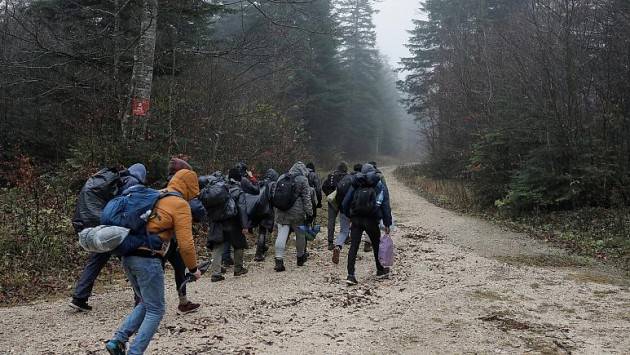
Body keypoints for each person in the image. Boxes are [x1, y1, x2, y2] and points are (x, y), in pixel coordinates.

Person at [105, 169, 202, 355]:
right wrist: (193, 268)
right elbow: (186, 244)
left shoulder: (155, 195)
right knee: (156, 309)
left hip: (128, 254)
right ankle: (135, 352)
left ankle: (118, 341)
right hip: (147, 259)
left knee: (145, 302)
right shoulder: (179, 204)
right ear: (190, 187)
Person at [70, 163, 147, 312]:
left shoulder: (117, 180)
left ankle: (79, 298)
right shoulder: (132, 182)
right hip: (107, 224)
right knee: (131, 257)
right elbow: (128, 207)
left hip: (95, 223)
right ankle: (141, 299)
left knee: (97, 258)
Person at [340, 163, 392, 285]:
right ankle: (380, 270)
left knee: (354, 246)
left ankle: (351, 275)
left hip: (357, 219)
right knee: (376, 245)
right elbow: (385, 205)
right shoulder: (378, 183)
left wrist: (350, 215)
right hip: (372, 219)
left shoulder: (357, 182)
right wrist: (387, 223)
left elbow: (345, 202)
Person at [164, 158, 203, 315]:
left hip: (166, 239)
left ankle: (184, 302)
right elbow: (186, 242)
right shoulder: (179, 196)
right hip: (163, 240)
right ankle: (144, 309)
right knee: (176, 268)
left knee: (179, 266)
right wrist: (194, 269)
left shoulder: (165, 188)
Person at [207, 167, 250, 282]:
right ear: (239, 178)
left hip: (217, 222)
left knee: (217, 246)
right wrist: (245, 225)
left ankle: (216, 273)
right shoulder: (238, 190)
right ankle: (238, 268)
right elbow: (242, 208)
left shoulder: (220, 188)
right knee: (239, 244)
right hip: (233, 222)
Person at [273, 161, 313, 272]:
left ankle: (279, 261)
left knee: (282, 234)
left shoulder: (282, 177)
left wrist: (276, 210)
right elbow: (306, 198)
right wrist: (310, 213)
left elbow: (275, 194)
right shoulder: (303, 179)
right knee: (300, 235)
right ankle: (300, 258)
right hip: (297, 213)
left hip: (281, 211)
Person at [223, 162, 259, 267]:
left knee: (226, 236)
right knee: (238, 239)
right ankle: (238, 266)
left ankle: (226, 259)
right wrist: (252, 177)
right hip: (238, 212)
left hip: (224, 213)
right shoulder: (244, 181)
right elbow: (256, 190)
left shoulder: (225, 180)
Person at [330, 163, 362, 264]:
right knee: (356, 231)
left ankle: (338, 246)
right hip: (356, 211)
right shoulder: (361, 179)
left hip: (344, 209)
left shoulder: (346, 178)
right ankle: (353, 253)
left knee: (344, 231)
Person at [322, 162, 348, 250]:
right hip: (343, 201)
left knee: (331, 221)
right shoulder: (346, 177)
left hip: (332, 201)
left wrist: (329, 194)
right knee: (344, 220)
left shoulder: (331, 176)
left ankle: (330, 242)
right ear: (345, 168)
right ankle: (346, 237)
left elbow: (323, 186)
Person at [254, 168, 279, 262]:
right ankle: (258, 254)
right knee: (263, 231)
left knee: (261, 229)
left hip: (257, 209)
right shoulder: (272, 184)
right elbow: (273, 197)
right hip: (267, 210)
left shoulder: (260, 182)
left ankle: (262, 247)